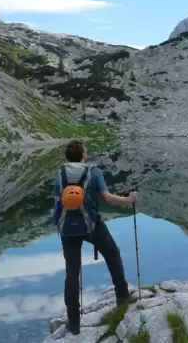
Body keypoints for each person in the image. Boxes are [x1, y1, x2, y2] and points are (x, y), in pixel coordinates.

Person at [54, 139, 138, 335]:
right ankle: (123, 298)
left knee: (72, 272)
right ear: (83, 154)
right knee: (113, 254)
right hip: (92, 225)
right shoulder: (93, 171)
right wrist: (129, 199)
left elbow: (59, 200)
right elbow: (107, 198)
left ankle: (74, 322)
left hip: (67, 228)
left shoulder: (60, 174)